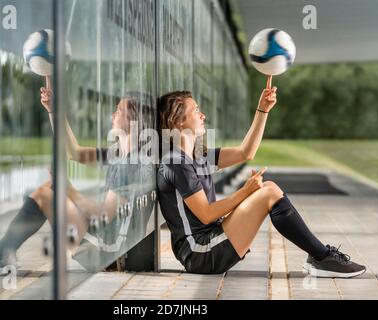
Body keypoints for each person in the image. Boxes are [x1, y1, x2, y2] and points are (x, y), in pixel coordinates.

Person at [156, 77, 366, 278]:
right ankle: (322, 258)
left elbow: (245, 152)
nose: (202, 115)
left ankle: (320, 257)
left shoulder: (197, 155)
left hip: (211, 240)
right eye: (195, 111)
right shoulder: (176, 162)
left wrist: (263, 110)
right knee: (269, 193)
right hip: (200, 252)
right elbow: (206, 214)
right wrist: (246, 191)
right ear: (177, 122)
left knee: (270, 188)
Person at [0, 80, 155, 276]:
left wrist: (68, 189)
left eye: (119, 110)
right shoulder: (119, 153)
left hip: (108, 254)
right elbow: (74, 152)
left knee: (45, 195)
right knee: (46, 190)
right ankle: (0, 254)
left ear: (133, 120)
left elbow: (103, 216)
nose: (113, 114)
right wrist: (53, 110)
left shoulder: (132, 163)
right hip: (106, 245)